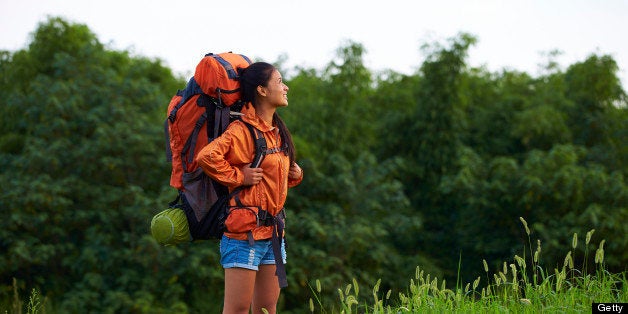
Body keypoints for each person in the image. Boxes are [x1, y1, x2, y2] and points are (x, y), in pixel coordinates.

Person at [196, 61, 303, 314]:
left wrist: (295, 174)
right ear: (262, 90)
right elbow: (206, 157)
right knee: (237, 310)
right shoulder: (241, 131)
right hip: (245, 237)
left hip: (274, 234)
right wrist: (238, 176)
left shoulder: (276, 132)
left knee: (267, 309)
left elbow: (271, 176)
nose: (286, 87)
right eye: (279, 82)